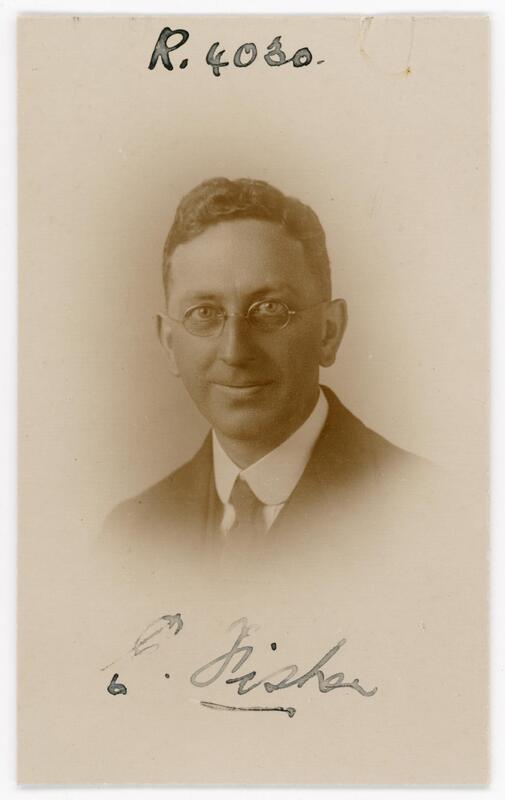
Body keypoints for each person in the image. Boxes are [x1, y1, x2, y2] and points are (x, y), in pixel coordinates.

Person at [104, 177, 428, 572]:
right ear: (170, 343)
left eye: (270, 309)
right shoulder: (130, 535)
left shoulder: (429, 512)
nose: (235, 352)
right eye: (204, 313)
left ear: (328, 332)